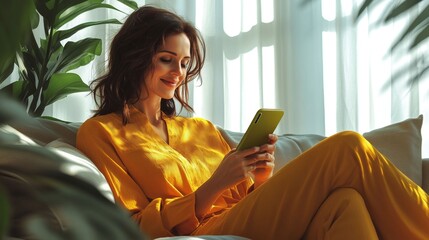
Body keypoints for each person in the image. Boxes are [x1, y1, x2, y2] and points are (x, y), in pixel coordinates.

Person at [76, 5, 429, 240]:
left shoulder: (200, 129)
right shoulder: (103, 133)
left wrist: (260, 179)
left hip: (242, 215)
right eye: (167, 60)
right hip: (202, 231)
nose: (177, 73)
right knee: (348, 147)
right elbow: (134, 224)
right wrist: (211, 188)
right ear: (135, 58)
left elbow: (248, 200)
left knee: (346, 203)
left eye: (184, 63)